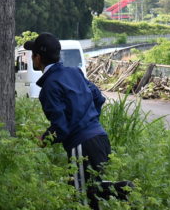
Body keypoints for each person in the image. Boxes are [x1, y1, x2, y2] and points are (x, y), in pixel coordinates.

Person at [26, 32, 132, 209]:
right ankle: (121, 189)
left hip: (82, 146)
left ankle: (123, 189)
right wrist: (88, 121)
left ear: (38, 58)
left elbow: (61, 128)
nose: (31, 59)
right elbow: (98, 98)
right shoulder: (75, 72)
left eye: (32, 55)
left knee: (82, 198)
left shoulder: (49, 87)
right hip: (100, 139)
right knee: (91, 192)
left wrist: (42, 140)